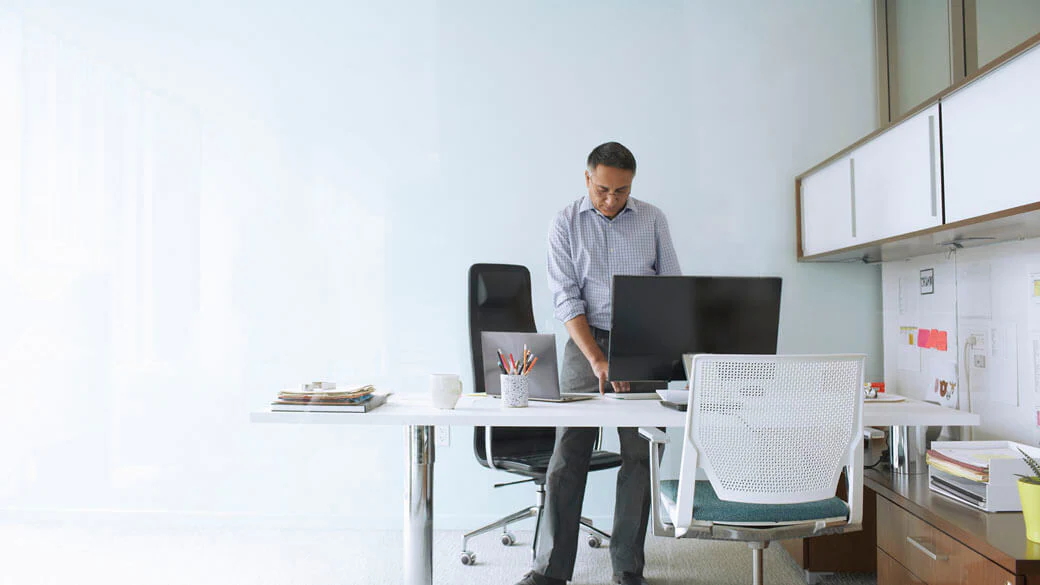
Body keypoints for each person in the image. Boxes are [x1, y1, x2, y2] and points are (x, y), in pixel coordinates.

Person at [514, 142, 680, 585]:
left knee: (641, 454)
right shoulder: (565, 223)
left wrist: (637, 356)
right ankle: (550, 570)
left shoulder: (653, 219)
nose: (612, 200)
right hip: (584, 341)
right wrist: (599, 358)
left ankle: (627, 567)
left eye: (622, 191)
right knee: (568, 455)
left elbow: (671, 292)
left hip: (642, 343)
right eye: (604, 189)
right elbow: (566, 297)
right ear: (587, 179)